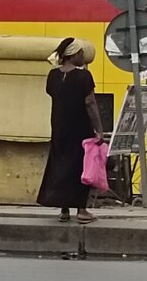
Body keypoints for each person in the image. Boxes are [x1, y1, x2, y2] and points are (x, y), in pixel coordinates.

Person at [37, 37, 104, 224]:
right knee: (82, 168)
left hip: (59, 127)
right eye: (81, 53)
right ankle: (82, 210)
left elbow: (52, 93)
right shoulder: (84, 76)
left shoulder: (53, 76)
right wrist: (99, 129)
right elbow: (90, 103)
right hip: (80, 128)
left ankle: (64, 209)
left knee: (60, 166)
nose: (83, 56)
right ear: (72, 55)